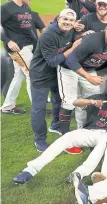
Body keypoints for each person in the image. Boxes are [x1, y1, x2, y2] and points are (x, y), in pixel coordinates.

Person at [13, 77, 107, 185]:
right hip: (89, 131)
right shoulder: (99, 97)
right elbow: (76, 102)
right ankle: (30, 170)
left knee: (100, 148)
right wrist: (92, 101)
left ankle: (78, 174)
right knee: (66, 138)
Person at [58, 17, 107, 138]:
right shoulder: (92, 40)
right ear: (106, 28)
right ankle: (65, 136)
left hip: (87, 69)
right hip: (69, 68)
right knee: (69, 101)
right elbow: (71, 60)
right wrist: (89, 78)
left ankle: (81, 130)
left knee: (91, 99)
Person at [29, 9, 79, 152]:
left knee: (58, 100)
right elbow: (51, 61)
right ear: (58, 19)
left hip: (56, 73)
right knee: (39, 108)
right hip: (40, 74)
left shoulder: (70, 30)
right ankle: (39, 140)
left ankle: (55, 125)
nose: (68, 23)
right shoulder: (48, 35)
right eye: (65, 19)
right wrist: (73, 48)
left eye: (71, 20)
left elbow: (75, 34)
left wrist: (82, 33)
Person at [1, 0, 38, 114]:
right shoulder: (6, 8)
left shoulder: (25, 7)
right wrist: (7, 40)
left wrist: (36, 42)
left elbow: (27, 27)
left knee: (19, 76)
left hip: (27, 46)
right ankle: (37, 107)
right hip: (18, 47)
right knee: (32, 74)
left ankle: (8, 105)